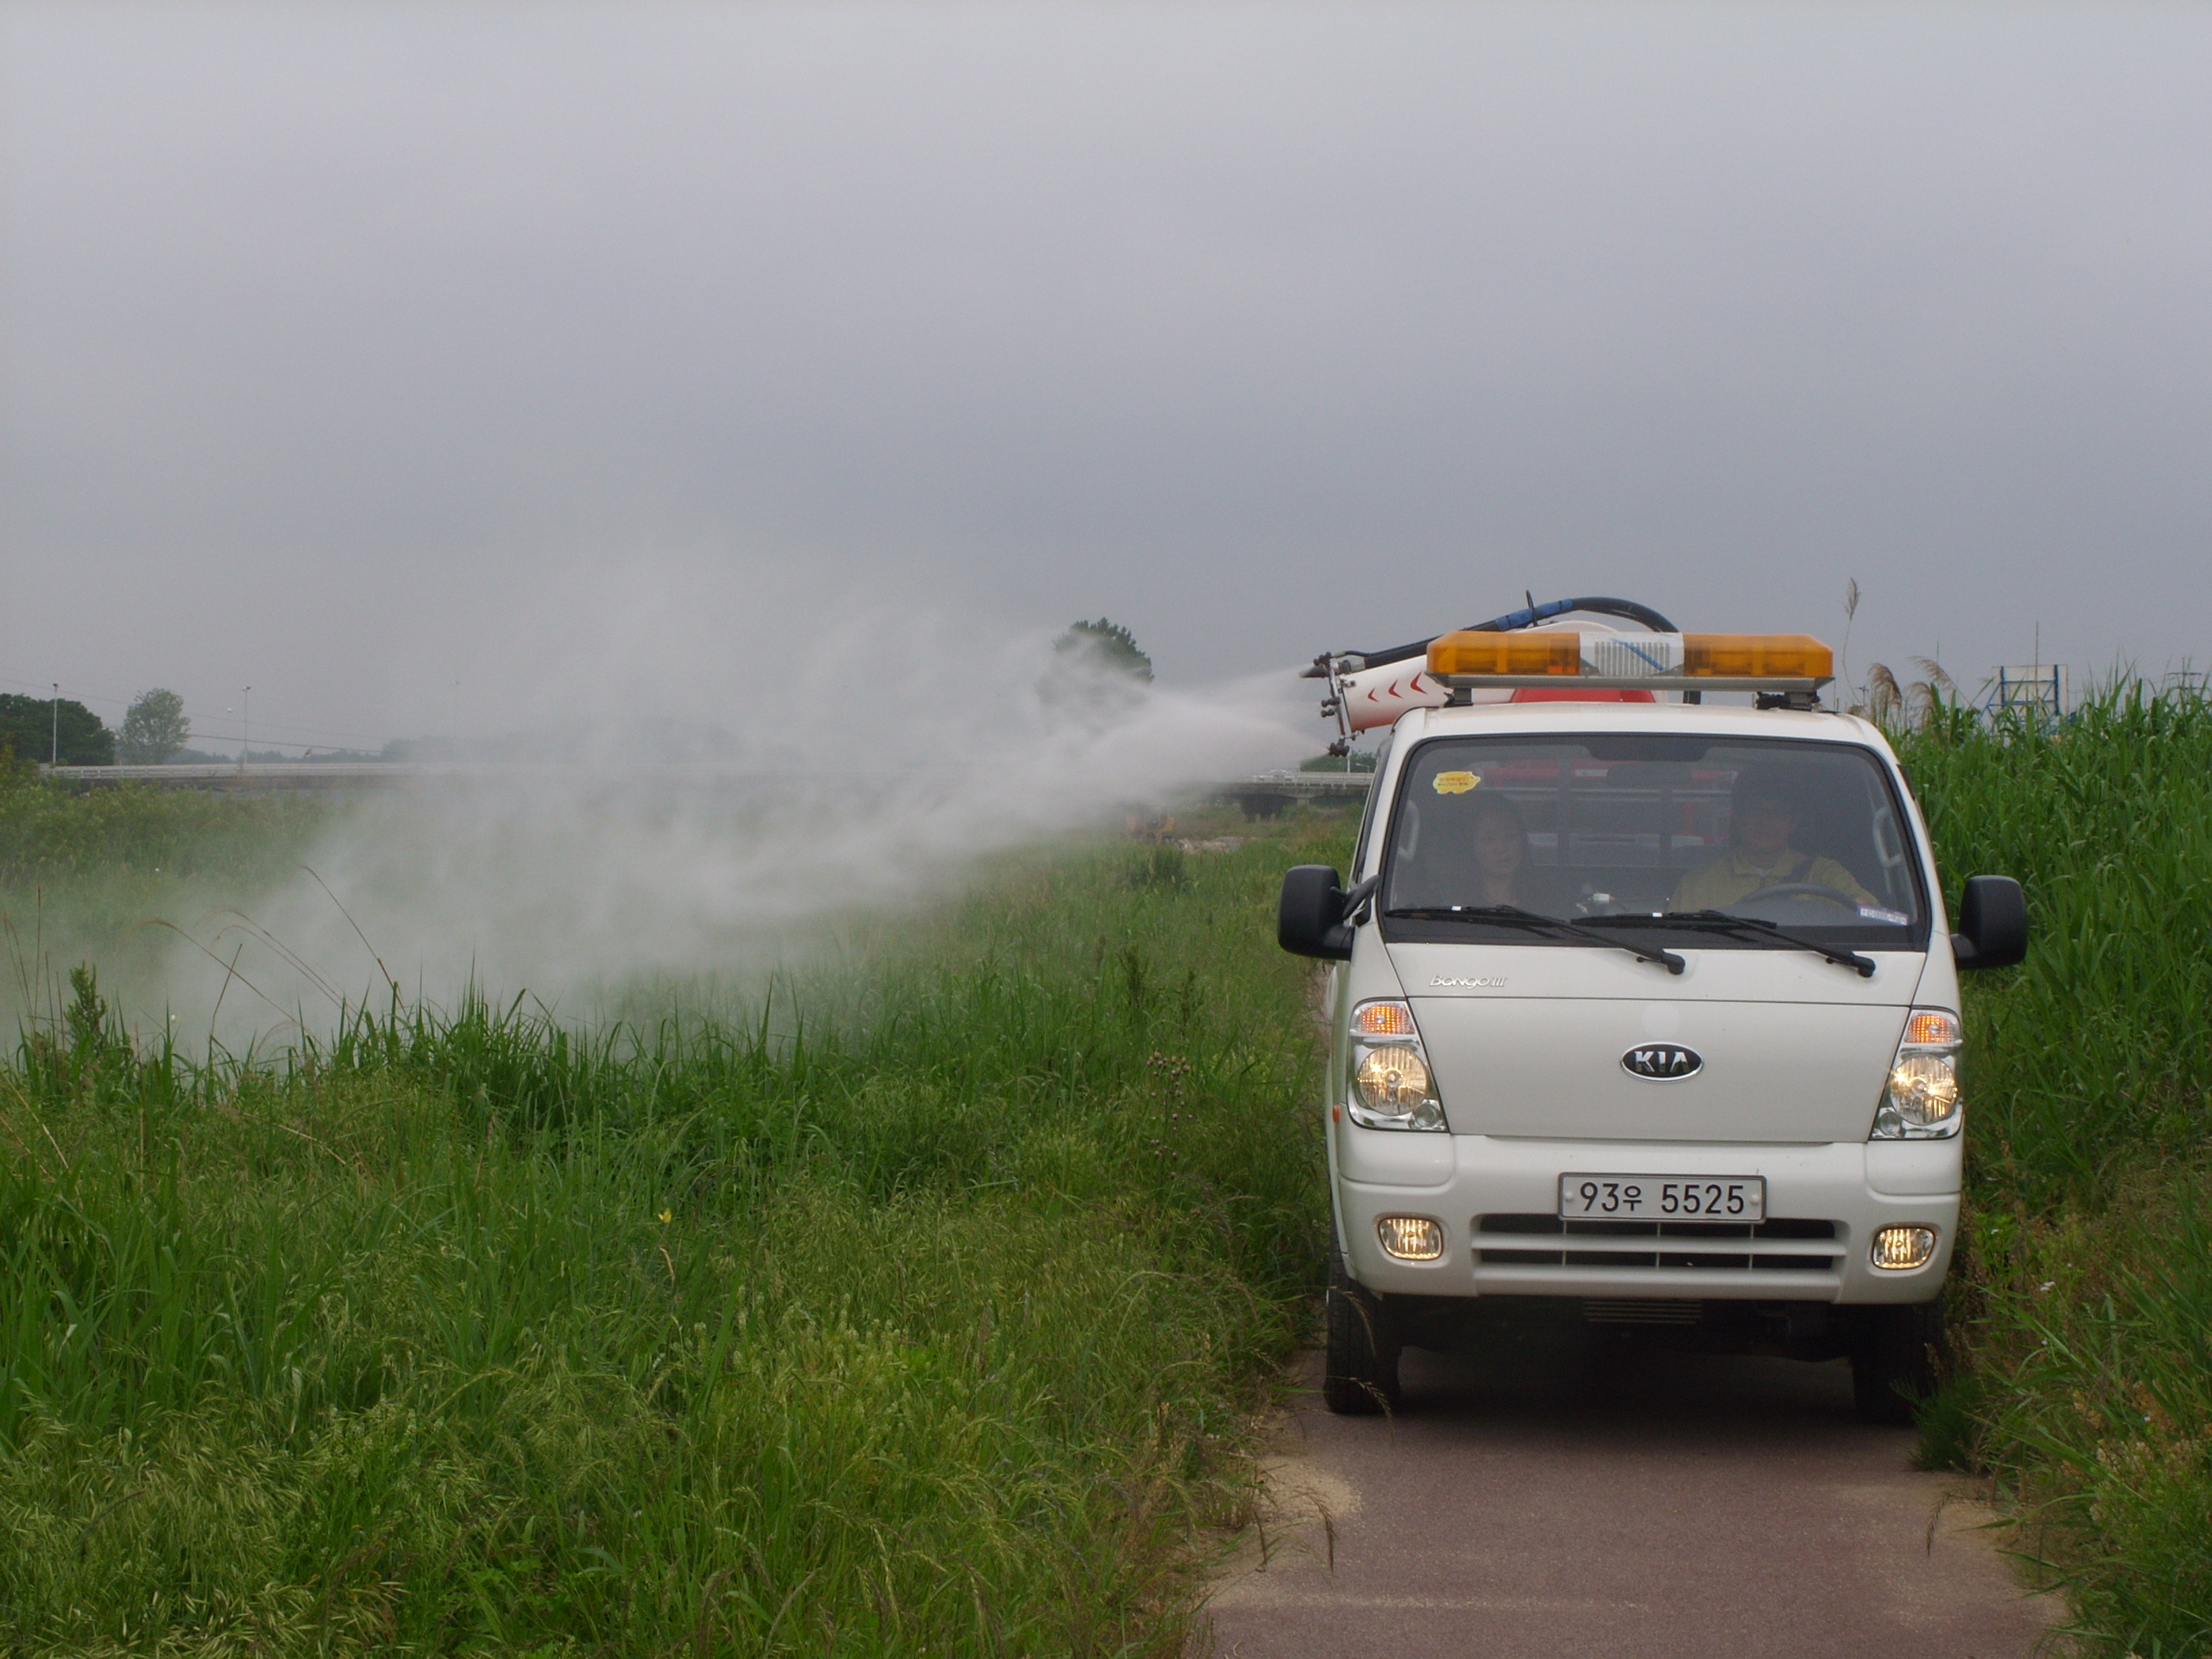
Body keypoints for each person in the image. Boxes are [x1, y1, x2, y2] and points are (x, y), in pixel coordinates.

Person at [1671, 767, 1876, 912]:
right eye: (1755, 811)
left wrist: (1861, 907)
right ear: (1738, 817)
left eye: (1777, 813)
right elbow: (1678, 942)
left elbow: (1879, 919)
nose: (1765, 822)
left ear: (1795, 822)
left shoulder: (1824, 873)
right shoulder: (1699, 883)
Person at [1467, 792, 1530, 906]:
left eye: (1510, 837)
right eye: (1489, 840)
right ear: (1472, 846)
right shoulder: (1457, 899)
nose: (1501, 848)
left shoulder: (1546, 898)